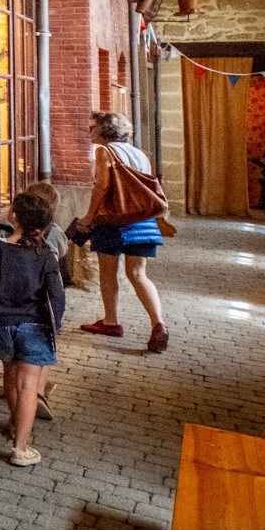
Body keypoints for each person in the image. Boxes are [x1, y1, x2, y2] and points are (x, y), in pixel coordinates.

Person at [0, 189, 66, 467]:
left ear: (14, 216)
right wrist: (55, 325)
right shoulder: (45, 255)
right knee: (28, 385)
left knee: (10, 374)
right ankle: (21, 447)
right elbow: (57, 295)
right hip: (34, 326)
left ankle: (15, 424)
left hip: (1, 323)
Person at [71, 111, 168, 353]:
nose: (89, 132)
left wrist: (89, 217)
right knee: (138, 274)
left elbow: (102, 187)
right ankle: (158, 323)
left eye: (92, 128)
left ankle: (111, 322)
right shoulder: (139, 154)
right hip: (142, 221)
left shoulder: (104, 152)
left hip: (113, 221)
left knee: (108, 273)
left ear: (105, 130)